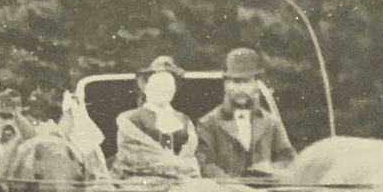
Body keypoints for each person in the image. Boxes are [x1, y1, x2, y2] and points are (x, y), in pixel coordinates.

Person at [195, 47, 296, 179]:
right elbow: (205, 164)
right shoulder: (208, 123)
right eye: (235, 82)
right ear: (226, 85)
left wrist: (269, 169)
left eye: (247, 81)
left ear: (255, 84)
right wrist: (232, 185)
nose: (241, 88)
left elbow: (288, 159)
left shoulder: (270, 122)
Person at [112, 56, 200, 180]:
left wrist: (186, 170)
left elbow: (190, 157)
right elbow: (135, 157)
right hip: (143, 182)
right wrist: (176, 166)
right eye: (159, 84)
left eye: (169, 84)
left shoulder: (184, 120)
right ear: (144, 86)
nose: (165, 89)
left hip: (183, 182)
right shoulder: (130, 119)